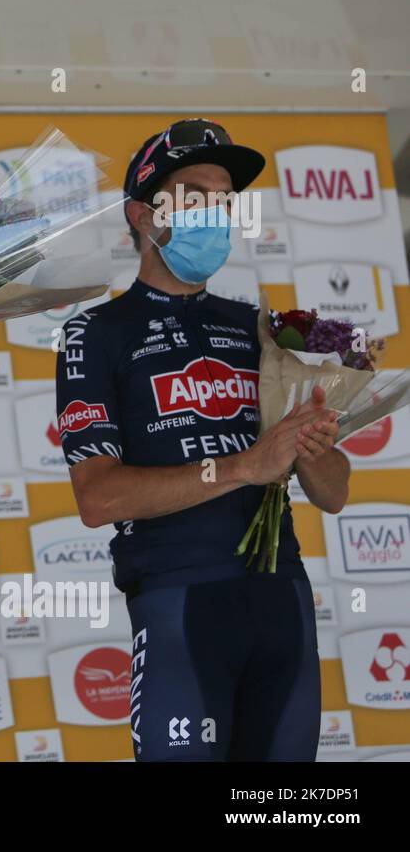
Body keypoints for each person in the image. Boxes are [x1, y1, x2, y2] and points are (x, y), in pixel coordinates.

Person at [56, 118, 350, 761]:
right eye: (193, 195)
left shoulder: (258, 328)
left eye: (223, 201)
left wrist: (317, 447)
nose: (213, 213)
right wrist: (247, 465)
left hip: (281, 597)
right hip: (180, 600)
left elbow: (334, 494)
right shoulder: (96, 333)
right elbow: (98, 499)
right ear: (140, 213)